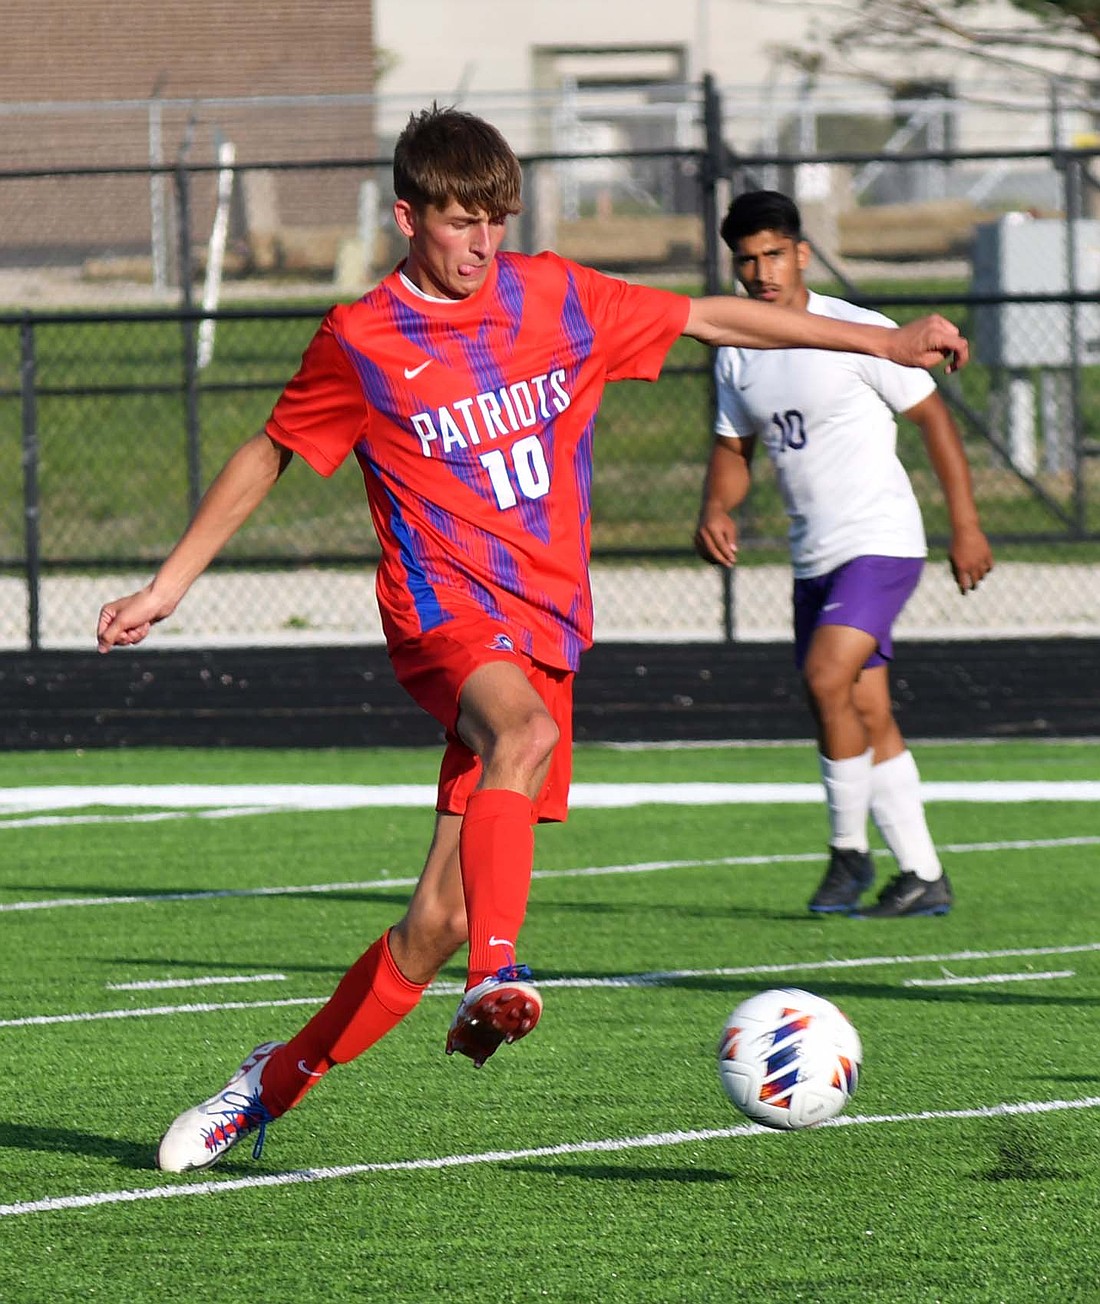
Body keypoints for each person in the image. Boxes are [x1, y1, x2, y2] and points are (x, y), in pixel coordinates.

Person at [97, 111, 971, 1174]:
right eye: (461, 223)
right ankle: (498, 975)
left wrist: (880, 339)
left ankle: (264, 1083)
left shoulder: (555, 295)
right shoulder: (361, 338)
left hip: (545, 624)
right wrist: (170, 583)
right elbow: (270, 450)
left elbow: (710, 315)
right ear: (406, 216)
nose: (481, 244)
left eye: (496, 222)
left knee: (432, 920)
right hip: (442, 616)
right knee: (517, 736)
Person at [694, 189, 993, 922]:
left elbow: (933, 422)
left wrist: (966, 525)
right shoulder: (740, 348)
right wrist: (715, 506)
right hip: (813, 556)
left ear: (800, 252)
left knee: (825, 677)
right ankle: (922, 875)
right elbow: (736, 448)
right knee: (865, 707)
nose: (760, 271)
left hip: (881, 543)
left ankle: (847, 853)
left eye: (772, 254)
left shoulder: (860, 331)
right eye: (746, 260)